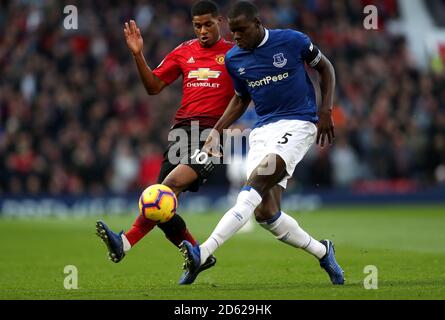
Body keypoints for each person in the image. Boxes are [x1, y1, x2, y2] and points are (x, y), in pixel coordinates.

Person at [180, 1, 345, 285]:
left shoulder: (292, 41)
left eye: (242, 30)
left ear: (257, 23)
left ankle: (202, 252)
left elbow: (326, 68)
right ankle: (323, 251)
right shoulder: (235, 58)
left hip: (298, 124)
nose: (237, 37)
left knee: (256, 182)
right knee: (265, 213)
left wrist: (326, 110)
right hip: (262, 130)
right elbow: (241, 98)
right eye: (233, 32)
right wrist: (217, 130)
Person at [95, 0, 235, 285]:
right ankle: (200, 256)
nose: (203, 31)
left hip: (213, 134)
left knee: (166, 190)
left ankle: (125, 243)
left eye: (208, 24)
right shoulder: (183, 51)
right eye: (197, 25)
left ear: (219, 21)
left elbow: (248, 93)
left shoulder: (234, 54)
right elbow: (153, 87)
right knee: (160, 207)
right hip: (181, 132)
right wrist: (138, 55)